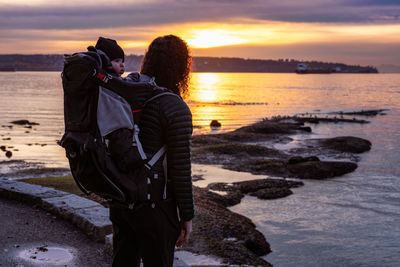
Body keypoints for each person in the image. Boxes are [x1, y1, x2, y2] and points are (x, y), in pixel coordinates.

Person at [106, 35, 194, 267]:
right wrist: (187, 215)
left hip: (122, 199)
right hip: (157, 207)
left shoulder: (124, 91)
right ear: (181, 66)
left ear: (149, 59)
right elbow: (180, 168)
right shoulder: (174, 106)